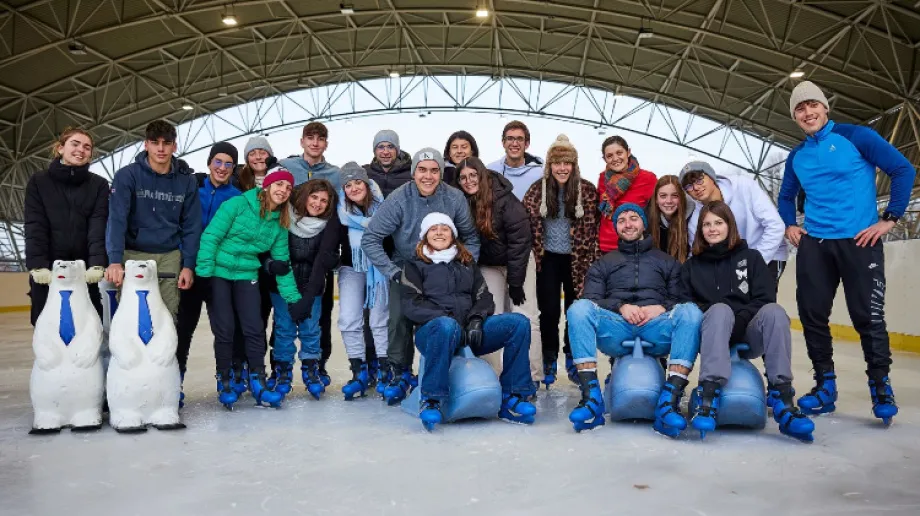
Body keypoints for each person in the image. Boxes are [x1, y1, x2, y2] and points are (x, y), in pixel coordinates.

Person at [778, 81, 915, 424]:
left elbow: (903, 169)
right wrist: (789, 225)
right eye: (800, 109)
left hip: (859, 242)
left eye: (812, 105)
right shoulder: (797, 155)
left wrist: (890, 219)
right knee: (811, 315)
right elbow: (785, 196)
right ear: (794, 117)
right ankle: (825, 385)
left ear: (825, 107)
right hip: (816, 245)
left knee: (867, 317)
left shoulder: (857, 137)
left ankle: (880, 386)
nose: (807, 113)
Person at [680, 201, 815, 441]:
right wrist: (722, 315)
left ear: (729, 225)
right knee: (719, 310)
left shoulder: (751, 258)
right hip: (711, 334)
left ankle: (782, 397)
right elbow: (686, 304)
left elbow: (764, 297)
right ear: (700, 230)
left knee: (774, 311)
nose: (713, 229)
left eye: (718, 223)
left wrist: (740, 318)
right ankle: (708, 394)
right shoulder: (692, 266)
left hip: (749, 331)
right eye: (707, 224)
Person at [566, 203, 702, 436]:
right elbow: (592, 298)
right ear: (616, 227)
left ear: (644, 224)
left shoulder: (666, 261)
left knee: (691, 312)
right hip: (617, 331)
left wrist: (660, 307)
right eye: (621, 220)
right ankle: (591, 399)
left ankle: (669, 401)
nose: (628, 224)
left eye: (633, 218)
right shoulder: (603, 263)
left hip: (656, 329)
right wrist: (621, 307)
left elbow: (681, 297)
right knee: (578, 309)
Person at [361, 148, 481, 406]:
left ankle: (458, 367)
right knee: (399, 318)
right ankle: (399, 371)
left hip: (446, 264)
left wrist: (465, 267)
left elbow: (470, 237)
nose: (428, 176)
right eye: (422, 170)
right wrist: (393, 272)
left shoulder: (454, 198)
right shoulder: (399, 199)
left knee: (455, 313)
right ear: (414, 172)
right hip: (407, 266)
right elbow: (371, 238)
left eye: (434, 170)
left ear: (441, 172)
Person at [401, 213, 536, 430]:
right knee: (445, 326)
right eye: (433, 229)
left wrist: (475, 319)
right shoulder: (414, 265)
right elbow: (411, 304)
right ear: (425, 235)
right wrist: (447, 319)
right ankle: (432, 400)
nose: (438, 232)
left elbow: (483, 297)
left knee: (518, 323)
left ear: (453, 235)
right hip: (434, 332)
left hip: (470, 330)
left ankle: (513, 395)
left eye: (444, 229)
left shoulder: (466, 262)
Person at [196, 164, 307, 409]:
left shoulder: (280, 221)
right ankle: (224, 379)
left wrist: (293, 298)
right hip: (218, 272)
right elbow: (211, 237)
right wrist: (203, 275)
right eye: (279, 184)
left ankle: (258, 380)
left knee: (254, 328)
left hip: (247, 273)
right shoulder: (237, 204)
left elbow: (281, 262)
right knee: (225, 329)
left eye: (288, 187)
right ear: (266, 185)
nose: (283, 190)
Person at [452, 157, 543, 387]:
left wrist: (515, 280)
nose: (468, 181)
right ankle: (491, 374)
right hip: (489, 264)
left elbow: (520, 241)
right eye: (463, 178)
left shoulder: (503, 198)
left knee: (526, 315)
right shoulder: (462, 202)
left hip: (519, 260)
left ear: (482, 175)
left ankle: (531, 375)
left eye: (473, 175)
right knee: (489, 317)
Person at [522, 134, 599, 389]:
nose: (562, 168)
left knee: (575, 312)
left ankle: (573, 358)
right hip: (548, 260)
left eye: (567, 163)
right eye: (557, 163)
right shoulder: (538, 190)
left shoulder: (586, 190)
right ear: (550, 165)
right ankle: (548, 356)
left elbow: (594, 227)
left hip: (578, 260)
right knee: (550, 311)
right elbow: (527, 223)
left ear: (574, 165)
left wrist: (591, 259)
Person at [104, 120, 201, 322]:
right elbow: (117, 220)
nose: (161, 148)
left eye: (166, 143)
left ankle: (163, 355)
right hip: (133, 253)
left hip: (169, 255)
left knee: (166, 318)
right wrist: (114, 260)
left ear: (174, 146)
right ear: (146, 144)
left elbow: (192, 226)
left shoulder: (187, 181)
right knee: (132, 317)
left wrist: (188, 265)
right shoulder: (126, 176)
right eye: (155, 142)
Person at [175, 142, 243, 406]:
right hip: (189, 269)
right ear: (209, 163)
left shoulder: (237, 197)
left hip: (218, 273)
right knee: (183, 329)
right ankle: (174, 379)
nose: (222, 168)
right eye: (218, 161)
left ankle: (224, 378)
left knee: (225, 328)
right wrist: (186, 263)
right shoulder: (191, 188)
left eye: (228, 164)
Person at [25, 128, 107, 326]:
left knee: (90, 324)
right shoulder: (38, 182)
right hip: (50, 268)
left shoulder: (99, 185)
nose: (81, 150)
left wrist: (96, 262)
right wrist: (38, 264)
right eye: (75, 144)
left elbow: (98, 225)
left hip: (84, 269)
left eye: (87, 147)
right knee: (46, 326)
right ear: (60, 148)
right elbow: (35, 224)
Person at [268, 179, 341, 400]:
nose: (318, 204)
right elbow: (266, 247)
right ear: (305, 195)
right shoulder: (284, 215)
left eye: (324, 201)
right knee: (284, 329)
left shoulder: (327, 223)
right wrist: (269, 265)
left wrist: (333, 261)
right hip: (281, 287)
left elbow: (326, 259)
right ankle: (282, 370)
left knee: (311, 330)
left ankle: (311, 368)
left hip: (313, 287)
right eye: (314, 197)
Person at [280, 121, 341, 385]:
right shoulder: (287, 167)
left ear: (326, 143)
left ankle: (317, 363)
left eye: (320, 139)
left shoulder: (334, 174)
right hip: (287, 262)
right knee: (283, 324)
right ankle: (280, 368)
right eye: (310, 138)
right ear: (302, 141)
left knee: (318, 318)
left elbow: (340, 212)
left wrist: (335, 253)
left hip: (319, 256)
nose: (315, 143)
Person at [680, 161, 788, 285]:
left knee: (761, 300)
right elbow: (696, 253)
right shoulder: (696, 219)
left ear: (711, 176)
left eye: (699, 180)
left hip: (768, 253)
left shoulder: (743, 186)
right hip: (731, 265)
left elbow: (775, 225)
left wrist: (754, 263)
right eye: (689, 186)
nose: (696, 188)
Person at [337, 163, 389, 399]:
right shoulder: (340, 211)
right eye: (348, 185)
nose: (354, 188)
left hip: (378, 269)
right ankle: (359, 370)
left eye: (358, 182)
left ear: (366, 184)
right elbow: (330, 240)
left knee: (379, 319)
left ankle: (386, 370)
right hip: (351, 267)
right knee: (349, 319)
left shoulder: (384, 208)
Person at [596, 136, 657, 253]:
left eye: (619, 153)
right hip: (605, 245)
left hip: (635, 245)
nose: (615, 158)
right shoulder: (603, 178)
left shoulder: (648, 178)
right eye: (609, 156)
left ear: (628, 152)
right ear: (604, 159)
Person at [487, 120, 544, 201]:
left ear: (527, 144)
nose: (514, 144)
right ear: (503, 143)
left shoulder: (540, 174)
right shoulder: (490, 171)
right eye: (510, 138)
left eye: (519, 139)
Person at [647, 175, 691, 263]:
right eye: (663, 196)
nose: (669, 201)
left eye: (675, 195)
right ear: (656, 199)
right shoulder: (646, 219)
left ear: (681, 198)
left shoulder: (692, 219)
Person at [363, 129, 413, 199]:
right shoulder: (364, 172)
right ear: (375, 151)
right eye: (381, 147)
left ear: (397, 151)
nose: (386, 152)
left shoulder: (413, 172)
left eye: (390, 147)